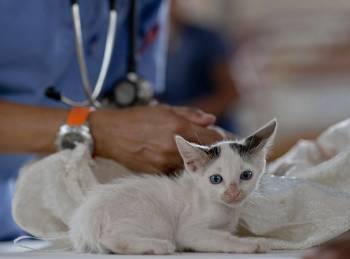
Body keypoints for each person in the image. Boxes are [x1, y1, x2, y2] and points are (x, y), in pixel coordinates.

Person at [0, 0, 223, 240]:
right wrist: (95, 131)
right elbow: (111, 128)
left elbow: (132, 100)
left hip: (27, 226)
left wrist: (170, 137)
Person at [157, 0, 239, 132]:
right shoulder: (144, 45)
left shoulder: (206, 39)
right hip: (175, 132)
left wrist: (190, 115)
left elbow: (230, 93)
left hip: (214, 130)